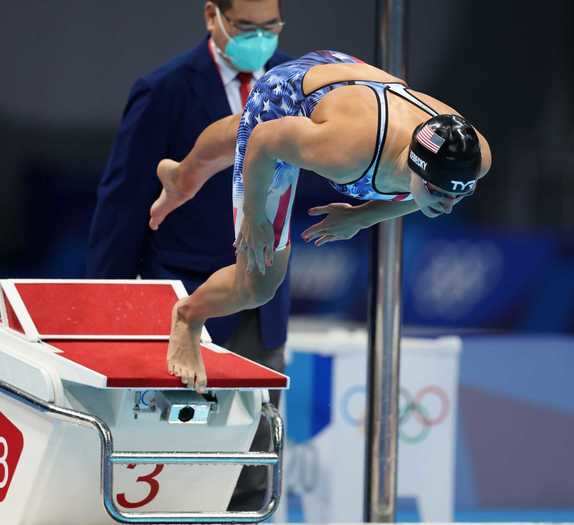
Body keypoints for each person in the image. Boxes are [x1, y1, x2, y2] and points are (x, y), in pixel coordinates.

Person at [149, 49, 492, 393]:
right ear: (413, 166)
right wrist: (254, 215)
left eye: (459, 195)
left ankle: (180, 176)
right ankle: (188, 316)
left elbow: (423, 197)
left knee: (245, 129)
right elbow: (263, 141)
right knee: (258, 283)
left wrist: (362, 216)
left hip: (352, 80)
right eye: (438, 193)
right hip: (293, 93)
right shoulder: (346, 153)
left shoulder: (474, 157)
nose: (448, 207)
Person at [86, 0, 291, 511]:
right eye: (247, 27)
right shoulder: (165, 89)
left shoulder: (294, 87)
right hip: (182, 297)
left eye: (271, 28)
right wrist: (107, 307)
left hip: (260, 301)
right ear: (212, 17)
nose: (260, 39)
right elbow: (124, 201)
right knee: (173, 464)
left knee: (255, 465)